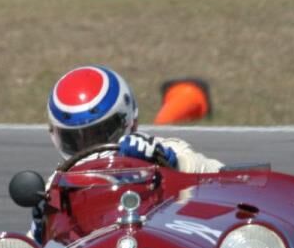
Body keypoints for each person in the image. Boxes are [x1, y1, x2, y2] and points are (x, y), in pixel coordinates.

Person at [47, 65, 223, 173]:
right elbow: (35, 235)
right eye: (76, 139)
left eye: (100, 133)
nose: (91, 146)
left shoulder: (161, 150)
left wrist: (173, 163)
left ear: (127, 120)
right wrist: (42, 221)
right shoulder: (60, 182)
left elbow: (217, 173)